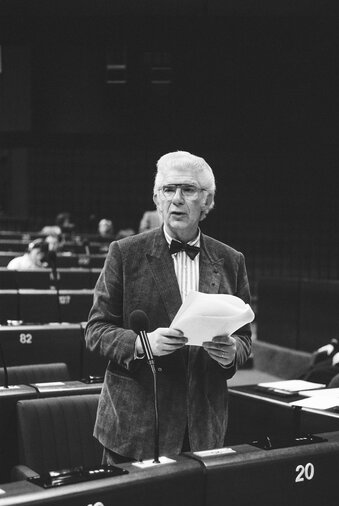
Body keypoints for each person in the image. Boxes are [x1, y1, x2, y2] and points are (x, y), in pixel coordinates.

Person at [85, 150, 252, 464]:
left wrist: (232, 353)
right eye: (168, 189)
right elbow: (95, 330)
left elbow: (244, 338)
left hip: (202, 427)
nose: (177, 199)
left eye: (188, 190)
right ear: (156, 198)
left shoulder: (232, 260)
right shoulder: (124, 253)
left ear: (207, 201)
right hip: (136, 426)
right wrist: (143, 344)